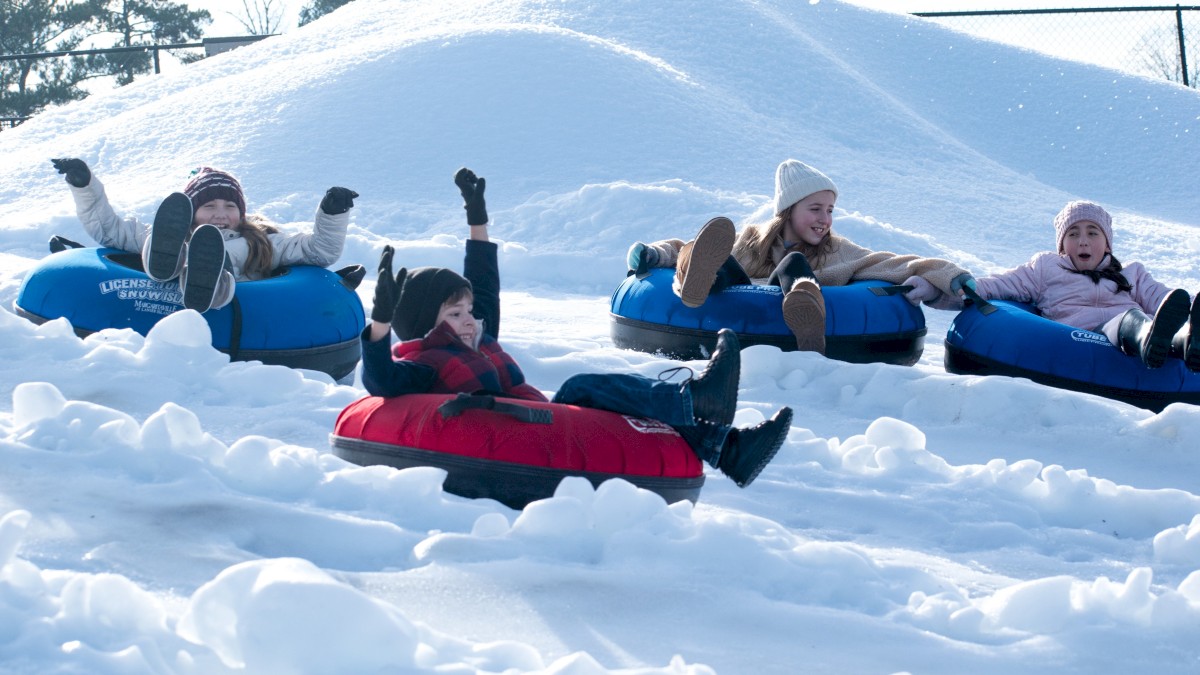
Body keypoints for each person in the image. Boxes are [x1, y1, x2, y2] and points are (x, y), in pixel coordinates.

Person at [361, 168, 793, 488]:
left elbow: (484, 284)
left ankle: (729, 449)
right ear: (425, 326)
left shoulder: (477, 338)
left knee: (609, 404)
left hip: (534, 418)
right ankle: (696, 397)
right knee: (581, 387)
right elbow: (380, 379)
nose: (470, 319)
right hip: (513, 430)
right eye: (454, 315)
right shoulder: (424, 363)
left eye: (468, 310)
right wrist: (380, 322)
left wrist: (477, 219)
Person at [626, 159, 972, 354]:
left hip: (787, 300)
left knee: (793, 264)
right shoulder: (749, 241)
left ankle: (805, 304)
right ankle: (694, 282)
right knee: (716, 256)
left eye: (830, 210)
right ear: (788, 210)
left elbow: (894, 263)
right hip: (737, 293)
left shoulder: (839, 251)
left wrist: (949, 275)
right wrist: (653, 254)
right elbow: (686, 246)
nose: (825, 220)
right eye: (815, 209)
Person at [51, 158, 358, 312]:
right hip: (163, 288)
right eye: (209, 205)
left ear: (242, 210)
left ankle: (212, 277)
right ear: (192, 212)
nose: (221, 213)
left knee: (214, 260)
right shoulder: (170, 233)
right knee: (155, 241)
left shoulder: (262, 241)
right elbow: (109, 229)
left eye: (229, 205)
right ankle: (166, 263)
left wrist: (333, 213)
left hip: (234, 303)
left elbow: (319, 252)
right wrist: (84, 184)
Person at [952, 200, 1199, 371]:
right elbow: (1003, 283)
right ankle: (1149, 340)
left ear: (1107, 244)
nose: (1082, 242)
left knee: (1155, 321)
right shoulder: (1046, 268)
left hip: (1141, 327)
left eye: (1092, 233)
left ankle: (1185, 343)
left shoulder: (1132, 273)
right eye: (1073, 234)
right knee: (1128, 319)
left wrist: (1187, 309)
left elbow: (1164, 301)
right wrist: (963, 286)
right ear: (1061, 245)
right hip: (1085, 336)